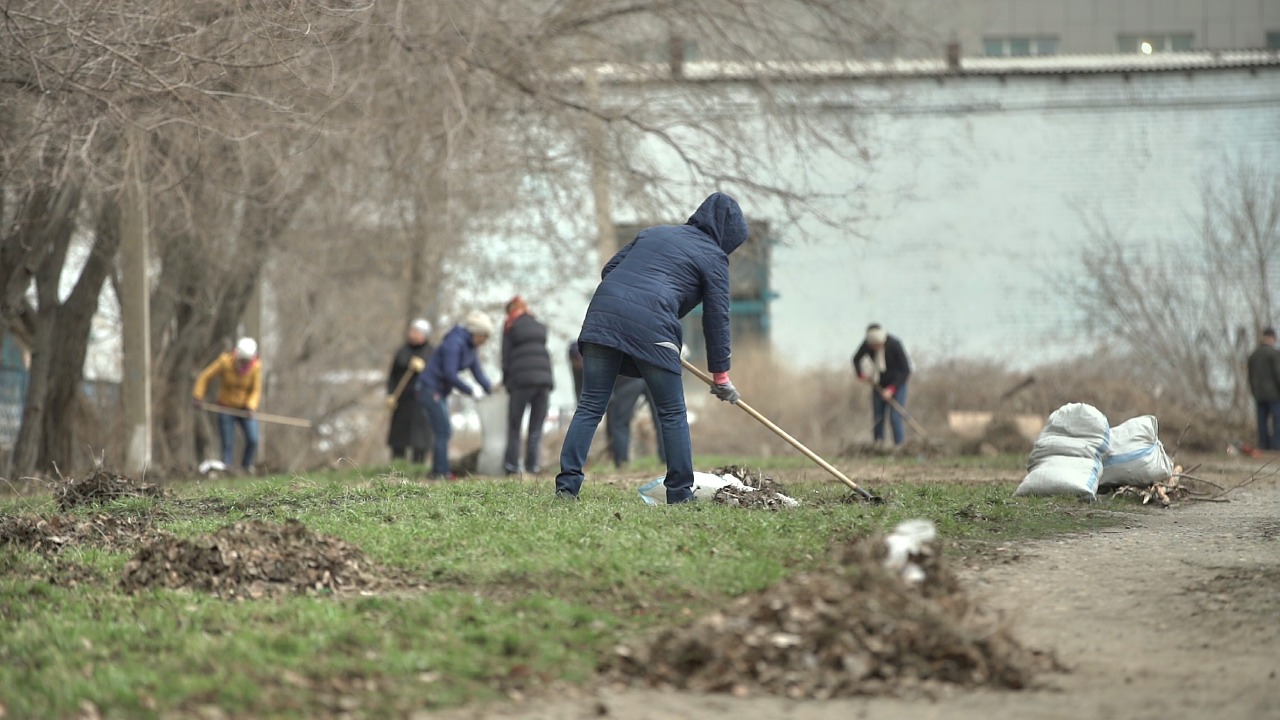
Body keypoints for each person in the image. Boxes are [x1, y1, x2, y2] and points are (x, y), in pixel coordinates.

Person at [554, 192, 748, 503]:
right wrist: (721, 375)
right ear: (728, 235)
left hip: (602, 317)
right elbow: (717, 318)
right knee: (671, 412)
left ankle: (566, 488)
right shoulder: (714, 257)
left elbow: (610, 269)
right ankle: (680, 495)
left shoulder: (654, 233)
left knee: (591, 405)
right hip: (652, 327)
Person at [416, 310, 495, 479]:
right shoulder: (454, 343)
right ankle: (440, 472)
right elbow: (450, 374)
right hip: (429, 388)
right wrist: (470, 390)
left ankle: (441, 470)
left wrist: (492, 390)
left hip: (440, 391)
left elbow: (478, 373)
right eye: (484, 336)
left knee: (444, 431)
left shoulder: (471, 349)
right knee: (443, 431)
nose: (485, 341)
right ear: (476, 332)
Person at [193, 337, 262, 472]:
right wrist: (198, 396)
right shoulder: (225, 362)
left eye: (246, 361)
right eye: (241, 361)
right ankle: (228, 470)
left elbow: (255, 390)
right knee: (228, 443)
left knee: (253, 439)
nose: (243, 364)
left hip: (244, 409)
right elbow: (204, 377)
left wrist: (250, 406)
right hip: (226, 407)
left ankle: (246, 468)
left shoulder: (256, 367)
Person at [501, 296, 554, 474]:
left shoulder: (510, 325)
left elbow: (505, 356)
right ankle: (533, 466)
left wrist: (506, 381)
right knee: (535, 428)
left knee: (515, 425)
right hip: (544, 380)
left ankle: (512, 466)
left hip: (521, 381)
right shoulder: (538, 325)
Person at [852, 323, 912, 446]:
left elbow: (906, 370)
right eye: (872, 346)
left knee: (895, 417)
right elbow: (856, 359)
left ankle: (899, 446)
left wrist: (892, 389)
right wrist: (861, 374)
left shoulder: (895, 345)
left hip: (897, 385)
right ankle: (878, 446)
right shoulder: (867, 345)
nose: (874, 347)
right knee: (878, 417)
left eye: (877, 345)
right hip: (879, 384)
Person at [386, 318, 434, 463]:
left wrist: (424, 367)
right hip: (402, 399)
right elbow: (392, 376)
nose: (413, 334)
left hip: (421, 400)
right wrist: (390, 394)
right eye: (412, 331)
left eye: (416, 332)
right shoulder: (402, 351)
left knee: (419, 438)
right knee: (399, 437)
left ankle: (417, 466)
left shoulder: (431, 352)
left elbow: (435, 374)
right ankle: (397, 466)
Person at [606, 377, 666, 467]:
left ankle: (622, 463)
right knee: (663, 420)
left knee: (620, 424)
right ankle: (668, 459)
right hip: (654, 375)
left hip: (628, 380)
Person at [1246, 326, 1280, 450]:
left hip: (1259, 394)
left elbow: (1249, 376)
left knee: (1262, 422)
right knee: (1277, 421)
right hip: (1275, 394)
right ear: (1272, 338)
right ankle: (1276, 446)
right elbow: (1278, 374)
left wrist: (1254, 392)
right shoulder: (1275, 354)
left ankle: (1263, 445)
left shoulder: (1253, 355)